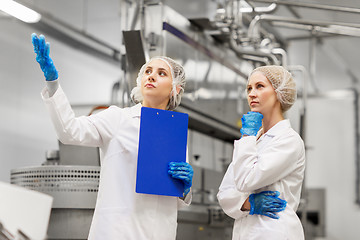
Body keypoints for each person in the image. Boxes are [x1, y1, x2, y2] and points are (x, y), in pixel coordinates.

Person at [31, 33, 194, 240]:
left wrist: (185, 188)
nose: (151, 76)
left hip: (158, 232)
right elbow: (69, 131)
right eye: (148, 71)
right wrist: (53, 83)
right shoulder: (118, 118)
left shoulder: (175, 133)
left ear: (175, 89)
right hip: (117, 231)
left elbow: (173, 196)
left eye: (162, 73)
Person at [217, 65, 306, 239]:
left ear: (279, 93)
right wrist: (247, 203)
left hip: (275, 231)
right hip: (246, 232)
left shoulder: (289, 140)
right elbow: (224, 192)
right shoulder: (254, 141)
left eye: (259, 86)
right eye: (249, 88)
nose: (251, 93)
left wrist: (248, 136)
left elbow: (246, 180)